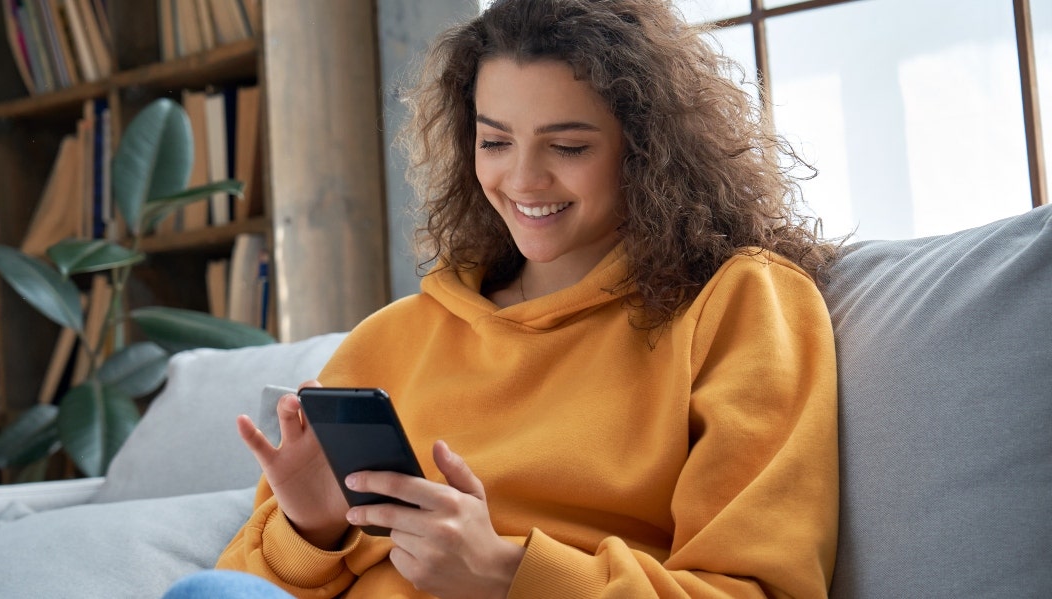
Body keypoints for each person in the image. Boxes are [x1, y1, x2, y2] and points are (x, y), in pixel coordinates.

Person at [168, 0, 839, 596]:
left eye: (568, 145)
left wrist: (508, 573)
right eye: (494, 141)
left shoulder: (740, 302)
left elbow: (754, 588)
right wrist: (310, 529)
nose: (522, 179)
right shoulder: (390, 338)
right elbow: (242, 584)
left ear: (645, 150)